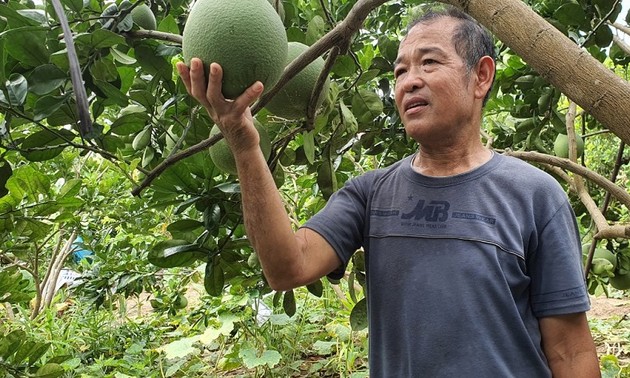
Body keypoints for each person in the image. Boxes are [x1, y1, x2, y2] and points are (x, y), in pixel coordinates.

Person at [177, 5, 600, 377]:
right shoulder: (372, 194)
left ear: (482, 76)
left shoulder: (535, 195)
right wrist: (243, 142)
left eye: (429, 63)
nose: (409, 82)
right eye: (400, 71)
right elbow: (288, 267)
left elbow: (569, 349)